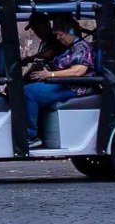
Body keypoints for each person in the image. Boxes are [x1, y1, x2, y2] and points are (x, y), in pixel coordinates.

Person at [21, 15, 95, 148]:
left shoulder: (82, 48)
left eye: (60, 35)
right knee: (27, 87)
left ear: (71, 31)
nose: (58, 38)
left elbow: (78, 71)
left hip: (73, 88)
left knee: (28, 92)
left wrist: (51, 74)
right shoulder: (70, 48)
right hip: (62, 84)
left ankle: (31, 136)